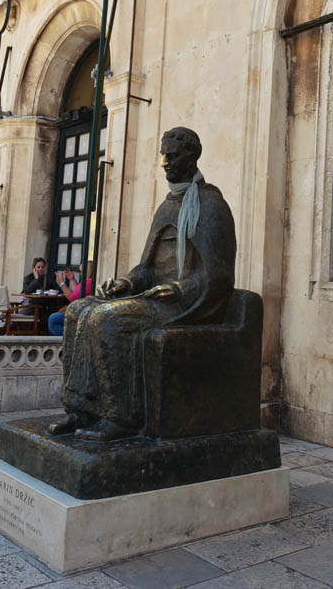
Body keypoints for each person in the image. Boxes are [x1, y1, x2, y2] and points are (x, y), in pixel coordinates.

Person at [48, 127, 236, 442]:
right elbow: (147, 268)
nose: (165, 162)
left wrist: (179, 288)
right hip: (152, 298)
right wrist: (127, 282)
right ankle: (81, 410)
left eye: (173, 156)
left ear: (193, 156)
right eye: (163, 155)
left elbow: (218, 275)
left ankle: (120, 417)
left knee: (107, 319)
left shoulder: (211, 205)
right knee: (77, 310)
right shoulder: (166, 207)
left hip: (185, 304)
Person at [48, 263, 93, 336]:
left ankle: (67, 341)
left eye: (81, 271)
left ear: (87, 271)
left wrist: (62, 284)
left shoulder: (88, 281)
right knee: (54, 317)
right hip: (83, 311)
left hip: (81, 313)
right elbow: (78, 294)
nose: (80, 273)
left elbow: (72, 297)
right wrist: (72, 279)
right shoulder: (89, 281)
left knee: (52, 320)